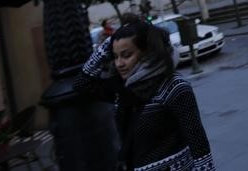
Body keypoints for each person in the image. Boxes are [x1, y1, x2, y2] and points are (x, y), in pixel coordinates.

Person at [75, 21, 215, 171]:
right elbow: (82, 84)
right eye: (115, 56)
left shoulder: (174, 87)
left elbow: (198, 143)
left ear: (147, 53)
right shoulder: (122, 89)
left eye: (126, 55)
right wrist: (110, 41)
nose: (119, 63)